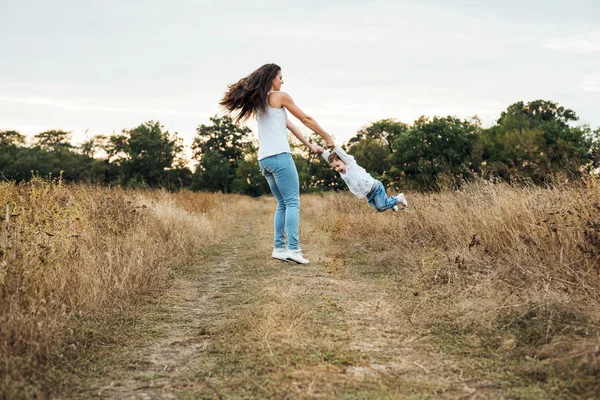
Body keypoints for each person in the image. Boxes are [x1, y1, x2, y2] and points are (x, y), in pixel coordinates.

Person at [220, 63, 335, 264]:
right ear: (272, 78)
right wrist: (326, 136)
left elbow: (290, 126)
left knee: (283, 203)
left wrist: (310, 145)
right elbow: (306, 119)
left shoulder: (260, 103)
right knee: (292, 202)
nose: (283, 81)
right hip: (280, 156)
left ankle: (279, 248)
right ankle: (294, 249)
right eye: (280, 77)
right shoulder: (280, 97)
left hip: (264, 160)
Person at [322, 146, 408, 212]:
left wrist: (333, 146)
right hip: (368, 194)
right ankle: (391, 203)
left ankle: (399, 198)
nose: (337, 169)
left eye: (338, 166)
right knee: (379, 208)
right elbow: (329, 159)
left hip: (375, 187)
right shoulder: (342, 173)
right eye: (334, 168)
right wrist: (321, 151)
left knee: (381, 206)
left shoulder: (350, 164)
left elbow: (341, 153)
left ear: (344, 161)